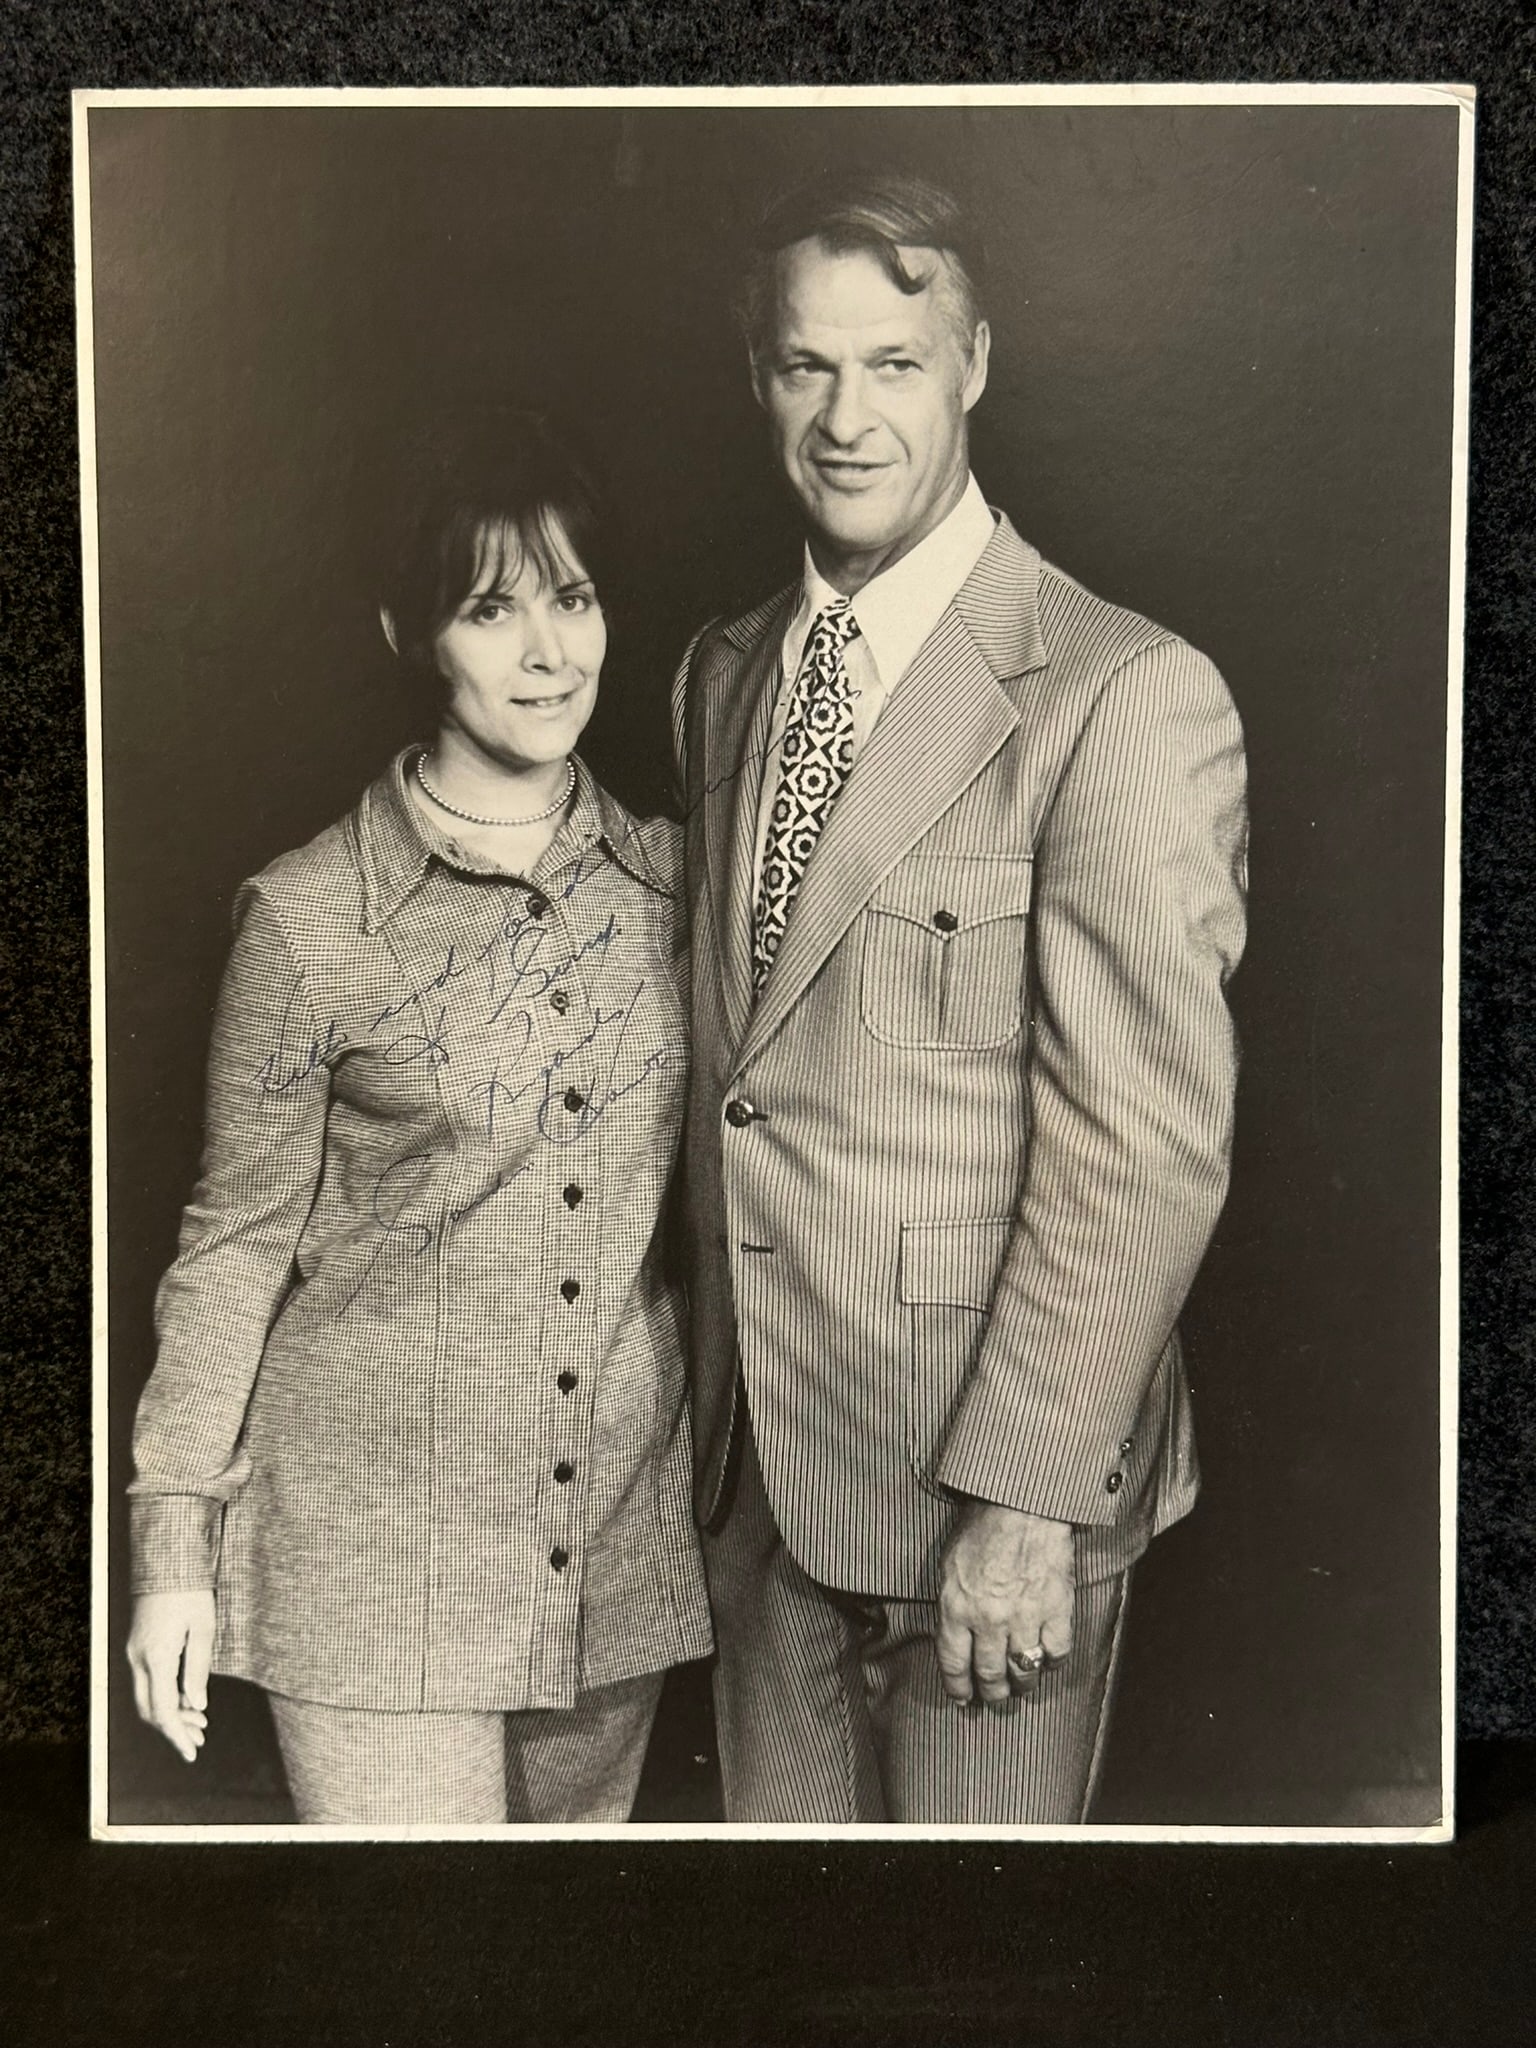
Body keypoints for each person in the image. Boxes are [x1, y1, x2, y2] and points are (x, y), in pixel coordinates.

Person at [671, 172, 1249, 1823]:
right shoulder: (719, 673)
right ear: (761, 379)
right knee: (793, 1978)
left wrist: (1027, 1504)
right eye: (805, 367)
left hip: (985, 1512)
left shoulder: (1122, 692)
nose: (847, 418)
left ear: (976, 364)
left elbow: (1142, 1148)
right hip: (753, 1483)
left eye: (896, 364)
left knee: (973, 1977)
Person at [127, 413, 711, 1825]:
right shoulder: (308, 920)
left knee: (570, 1988)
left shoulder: (677, 887)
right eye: (489, 608)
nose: (547, 654)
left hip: (610, 1546)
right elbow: (231, 1249)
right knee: (414, 1981)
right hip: (370, 1564)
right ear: (410, 631)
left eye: (573, 600)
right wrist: (170, 1552)